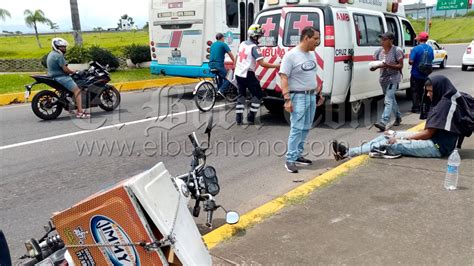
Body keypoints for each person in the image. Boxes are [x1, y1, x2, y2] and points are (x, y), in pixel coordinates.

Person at [331, 75, 474, 160]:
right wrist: (397, 135)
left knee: (392, 143)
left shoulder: (445, 105)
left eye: (431, 92)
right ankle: (354, 150)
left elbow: (427, 133)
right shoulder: (449, 95)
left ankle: (348, 153)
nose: (429, 95)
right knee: (387, 135)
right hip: (433, 139)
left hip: (437, 147)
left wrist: (400, 139)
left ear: (438, 88)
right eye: (428, 92)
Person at [280, 26, 324, 173]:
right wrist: (287, 99)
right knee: (297, 128)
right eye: (315, 39)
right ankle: (290, 160)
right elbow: (284, 77)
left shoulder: (311, 54)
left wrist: (318, 93)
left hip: (311, 95)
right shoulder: (291, 55)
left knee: (306, 127)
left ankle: (298, 155)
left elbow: (312, 74)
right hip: (298, 96)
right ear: (306, 38)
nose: (317, 42)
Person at [234, 24, 280, 125]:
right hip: (248, 74)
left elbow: (237, 59)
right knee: (258, 96)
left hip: (238, 73)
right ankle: (251, 118)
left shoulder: (242, 44)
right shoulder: (254, 48)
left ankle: (238, 119)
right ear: (254, 36)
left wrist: (236, 69)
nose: (260, 39)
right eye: (259, 36)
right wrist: (276, 66)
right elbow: (262, 63)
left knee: (241, 95)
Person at [46, 37, 89, 118]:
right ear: (56, 47)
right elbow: (65, 69)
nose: (64, 48)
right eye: (62, 47)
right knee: (77, 90)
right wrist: (74, 72)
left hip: (54, 75)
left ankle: (70, 104)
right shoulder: (59, 55)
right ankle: (80, 112)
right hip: (61, 77)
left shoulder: (51, 54)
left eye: (64, 47)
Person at [370, 32, 404, 131]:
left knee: (388, 100)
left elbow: (400, 66)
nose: (382, 41)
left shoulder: (397, 51)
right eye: (381, 39)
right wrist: (374, 67)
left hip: (393, 78)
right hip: (383, 79)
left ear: (391, 40)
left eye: (384, 39)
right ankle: (398, 117)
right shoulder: (379, 51)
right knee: (391, 99)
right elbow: (376, 64)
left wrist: (388, 65)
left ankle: (383, 122)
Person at [409, 31, 434, 113]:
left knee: (415, 90)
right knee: (424, 90)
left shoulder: (416, 49)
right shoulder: (430, 49)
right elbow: (432, 59)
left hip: (416, 73)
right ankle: (425, 107)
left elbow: (411, 61)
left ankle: (416, 107)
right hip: (426, 74)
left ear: (419, 39)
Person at [209, 33, 235, 97]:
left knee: (220, 76)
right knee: (228, 77)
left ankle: (219, 91)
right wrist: (235, 61)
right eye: (224, 38)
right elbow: (230, 54)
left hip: (211, 64)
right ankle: (221, 90)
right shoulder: (223, 44)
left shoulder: (212, 45)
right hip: (218, 65)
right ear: (222, 38)